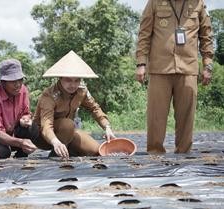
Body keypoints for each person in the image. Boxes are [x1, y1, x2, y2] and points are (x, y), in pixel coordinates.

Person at [135, 0, 214, 154]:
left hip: (188, 68)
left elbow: (206, 35)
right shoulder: (154, 2)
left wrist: (208, 65)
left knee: (186, 117)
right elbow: (144, 34)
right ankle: (155, 156)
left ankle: (183, 155)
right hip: (160, 69)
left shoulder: (198, 3)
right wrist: (141, 63)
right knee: (156, 117)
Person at [33, 50, 116, 158]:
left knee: (97, 151)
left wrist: (107, 127)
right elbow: (46, 126)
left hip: (68, 134)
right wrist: (55, 142)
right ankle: (56, 154)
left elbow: (95, 108)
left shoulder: (82, 91)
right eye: (68, 80)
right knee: (68, 125)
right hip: (44, 137)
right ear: (60, 78)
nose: (73, 85)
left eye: (77, 80)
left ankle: (68, 149)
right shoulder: (49, 96)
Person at [0, 59, 38, 159]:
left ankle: (21, 157)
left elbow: (26, 113)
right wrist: (21, 142)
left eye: (20, 80)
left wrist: (25, 118)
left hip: (12, 134)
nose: (18, 84)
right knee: (1, 152)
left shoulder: (23, 91)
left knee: (33, 128)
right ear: (3, 82)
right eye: (13, 81)